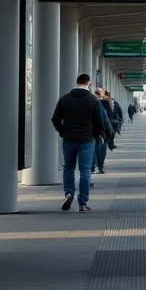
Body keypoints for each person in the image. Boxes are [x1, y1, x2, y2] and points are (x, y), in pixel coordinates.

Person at [51, 74, 103, 212]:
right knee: (85, 170)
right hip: (87, 140)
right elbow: (98, 121)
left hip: (69, 139)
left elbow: (55, 119)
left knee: (68, 166)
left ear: (76, 83)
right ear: (88, 84)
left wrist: (62, 132)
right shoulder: (93, 100)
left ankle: (69, 193)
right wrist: (95, 135)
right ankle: (83, 203)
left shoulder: (65, 99)